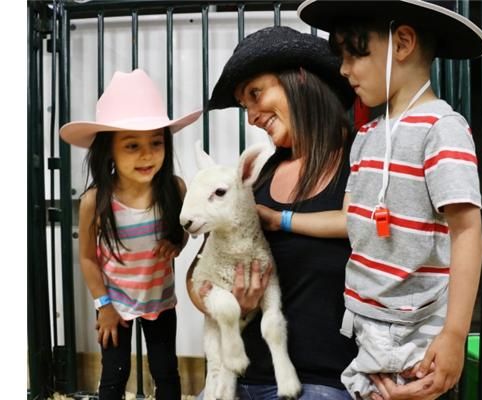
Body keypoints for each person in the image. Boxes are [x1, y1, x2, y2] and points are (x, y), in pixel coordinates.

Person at [295, 1, 482, 399]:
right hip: (365, 326)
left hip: (417, 332)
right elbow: (353, 221)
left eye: (355, 53)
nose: (345, 69)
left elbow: (467, 231)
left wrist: (455, 334)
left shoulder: (442, 130)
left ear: (402, 43)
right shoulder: (365, 136)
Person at [187, 26, 358, 400]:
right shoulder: (255, 177)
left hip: (321, 383)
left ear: (299, 78)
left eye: (255, 93)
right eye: (244, 104)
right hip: (235, 380)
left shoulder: (361, 165)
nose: (250, 116)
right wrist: (227, 301)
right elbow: (197, 275)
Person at [59, 69, 201, 400]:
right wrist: (104, 305)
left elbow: (181, 235)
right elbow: (88, 259)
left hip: (160, 301)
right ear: (109, 150)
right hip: (114, 303)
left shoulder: (175, 189)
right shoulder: (96, 201)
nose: (147, 154)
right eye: (132, 145)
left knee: (166, 371)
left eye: (156, 142)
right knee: (114, 374)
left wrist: (175, 243)